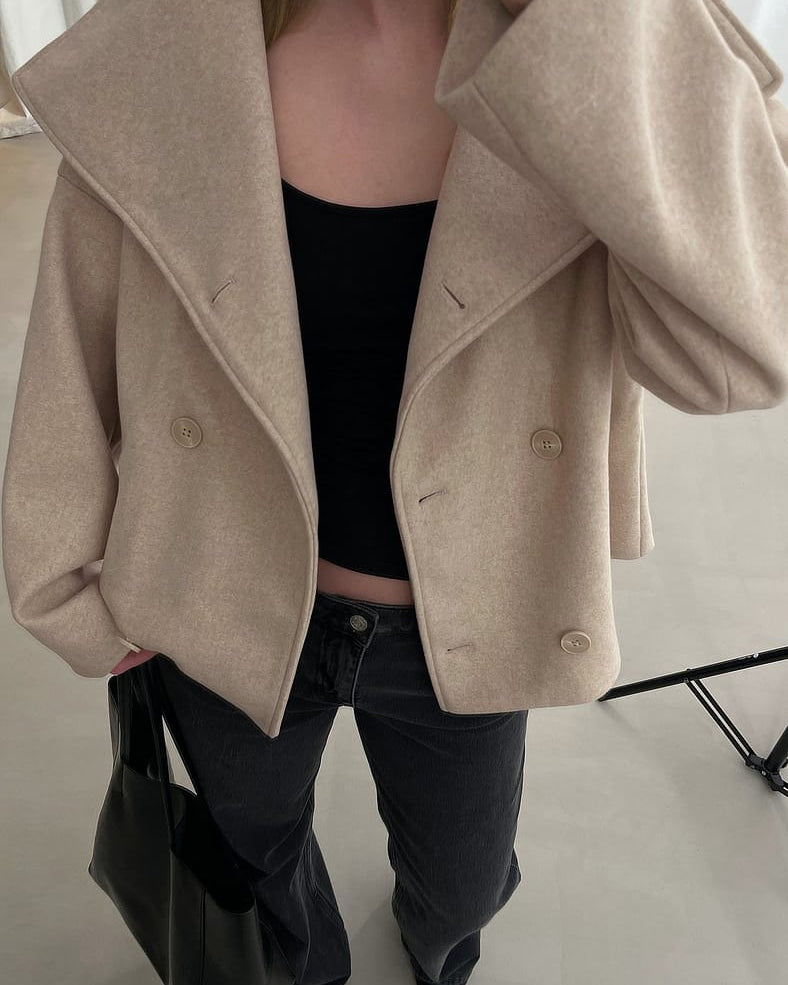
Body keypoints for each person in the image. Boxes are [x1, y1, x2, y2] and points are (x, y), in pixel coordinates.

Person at [111, 3, 526, 984]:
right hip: (228, 588)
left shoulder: (549, 76)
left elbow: (729, 349)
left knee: (463, 886)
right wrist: (95, 572)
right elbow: (83, 325)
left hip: (457, 613)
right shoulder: (185, 50)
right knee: (253, 859)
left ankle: (435, 947)